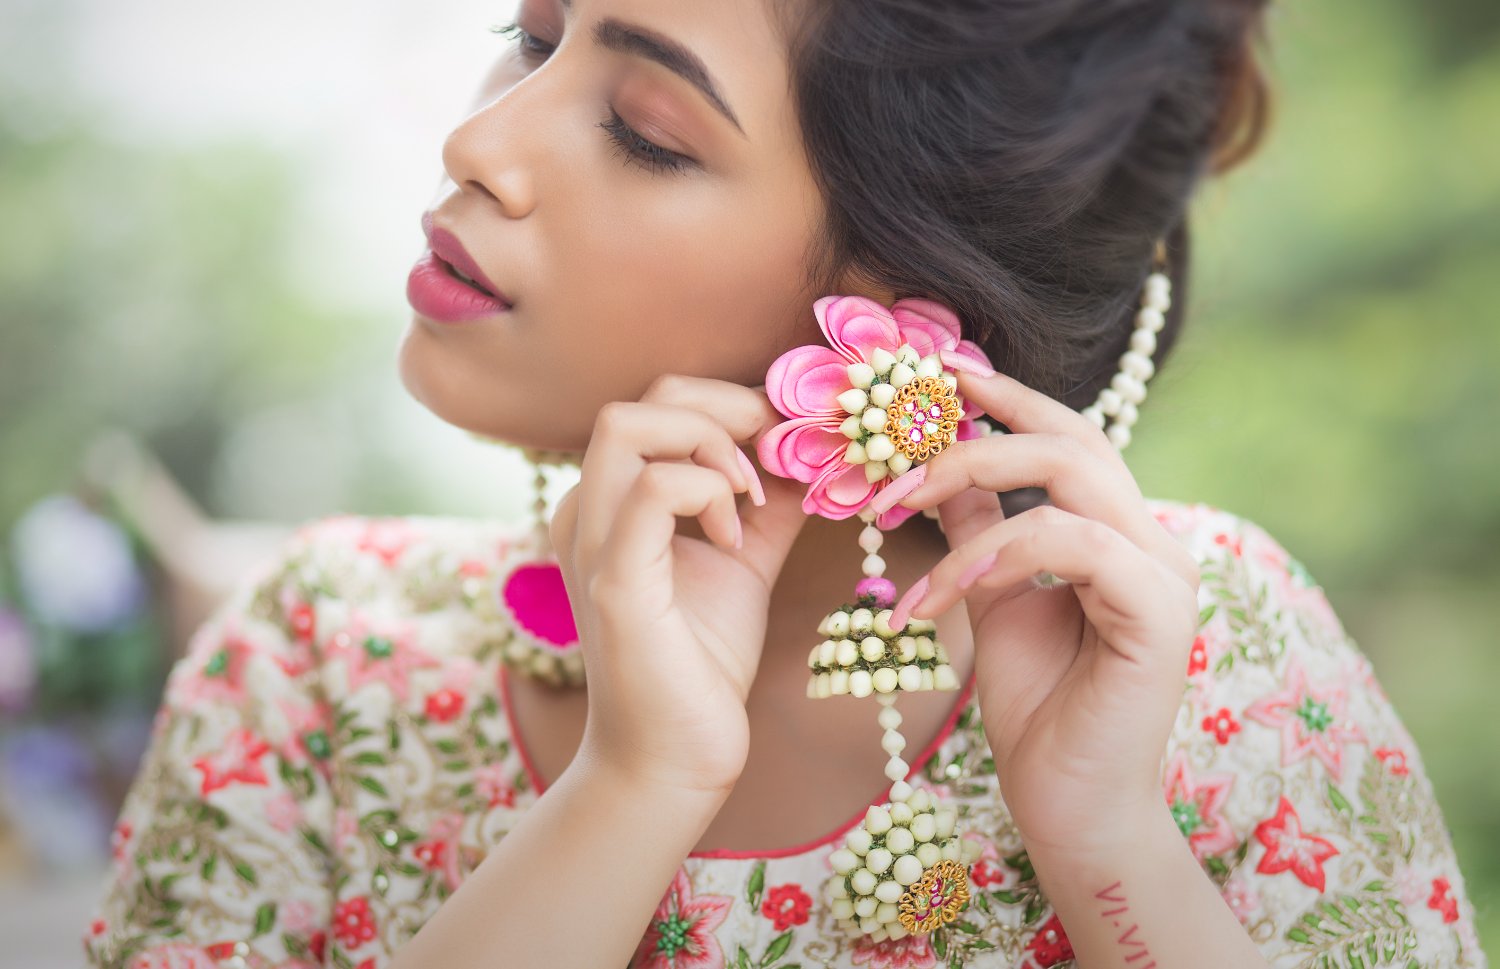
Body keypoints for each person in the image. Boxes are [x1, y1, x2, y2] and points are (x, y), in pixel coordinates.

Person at [82, 0, 1489, 967]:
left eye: (645, 128)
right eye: (528, 38)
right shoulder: (321, 657)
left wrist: (1109, 841)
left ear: (916, 302)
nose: (480, 142)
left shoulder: (1210, 653)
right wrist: (630, 786)